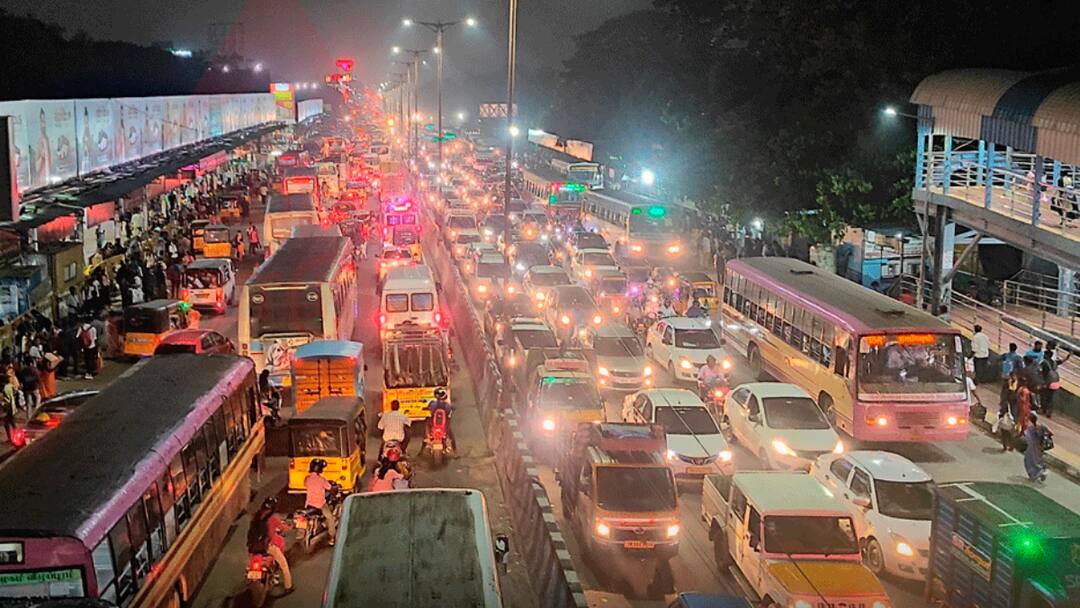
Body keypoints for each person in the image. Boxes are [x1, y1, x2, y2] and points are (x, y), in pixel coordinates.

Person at [247, 497, 293, 594]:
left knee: (250, 564)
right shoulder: (272, 519)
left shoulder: (256, 516)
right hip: (267, 547)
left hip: (253, 547)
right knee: (284, 565)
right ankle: (288, 587)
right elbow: (283, 528)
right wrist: (290, 526)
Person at [303, 459, 337, 545]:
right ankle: (332, 538)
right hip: (320, 504)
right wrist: (335, 489)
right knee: (331, 518)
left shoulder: (307, 479)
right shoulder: (322, 480)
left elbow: (306, 484)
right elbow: (330, 488)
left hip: (309, 504)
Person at [1039, 344, 1069, 418]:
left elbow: (1042, 373)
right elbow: (1062, 361)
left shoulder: (1044, 363)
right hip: (1055, 382)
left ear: (1046, 355)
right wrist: (1068, 356)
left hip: (1047, 382)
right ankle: (1049, 411)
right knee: (1050, 397)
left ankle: (1043, 409)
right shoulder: (1054, 362)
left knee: (1043, 396)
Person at [995, 371, 1020, 451]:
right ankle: (1005, 445)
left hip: (1013, 410)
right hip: (1006, 408)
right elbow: (1003, 396)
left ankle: (1011, 445)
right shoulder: (1006, 384)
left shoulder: (1018, 386)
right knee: (1003, 427)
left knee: (1011, 429)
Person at [1022, 412, 1050, 483]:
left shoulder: (1030, 428)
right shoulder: (1042, 426)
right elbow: (1050, 433)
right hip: (1040, 447)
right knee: (1038, 461)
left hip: (1032, 448)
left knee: (1028, 460)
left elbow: (1026, 437)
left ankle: (1035, 474)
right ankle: (1041, 473)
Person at [426, 388, 455, 453]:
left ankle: (422, 449)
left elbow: (430, 410)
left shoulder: (432, 403)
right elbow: (449, 410)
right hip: (444, 424)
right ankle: (455, 451)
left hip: (435, 423)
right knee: (451, 434)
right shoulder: (447, 405)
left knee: (427, 427)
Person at [1, 376, 16, 444]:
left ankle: (10, 438)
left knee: (6, 423)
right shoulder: (10, 386)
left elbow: (4, 399)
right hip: (12, 406)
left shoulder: (3, 389)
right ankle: (16, 435)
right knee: (12, 422)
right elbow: (15, 392)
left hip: (6, 408)